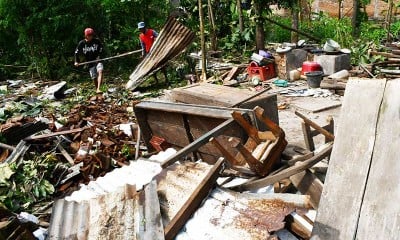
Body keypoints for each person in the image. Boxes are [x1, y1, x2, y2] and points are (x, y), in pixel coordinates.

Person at [74, 28, 104, 94]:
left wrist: (99, 56)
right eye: (89, 35)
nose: (90, 37)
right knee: (94, 77)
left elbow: (101, 49)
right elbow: (76, 52)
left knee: (100, 71)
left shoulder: (96, 41)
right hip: (90, 62)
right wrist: (76, 61)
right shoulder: (82, 43)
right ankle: (97, 90)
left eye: (91, 35)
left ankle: (99, 88)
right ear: (86, 35)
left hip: (98, 60)